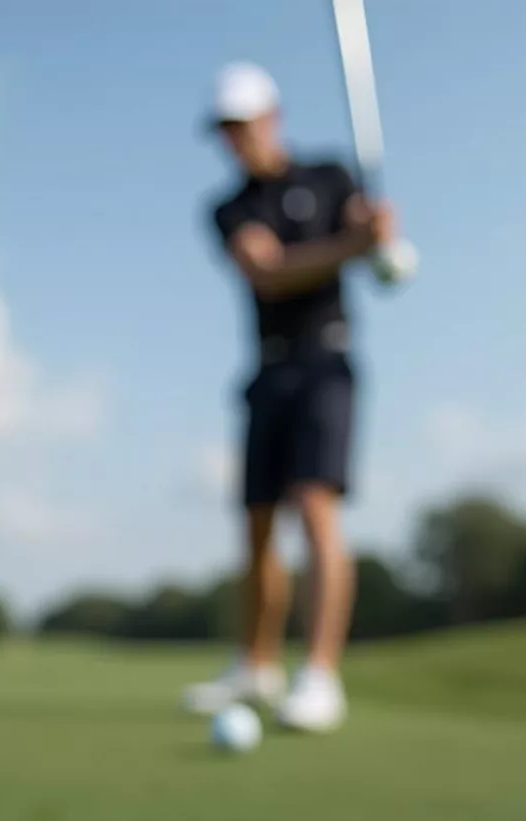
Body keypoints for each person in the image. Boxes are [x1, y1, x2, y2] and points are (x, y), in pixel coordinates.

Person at [183, 62, 399, 731]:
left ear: (271, 117)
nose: (233, 140)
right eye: (224, 130)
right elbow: (269, 274)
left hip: (326, 361)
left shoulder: (333, 178)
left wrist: (381, 245)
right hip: (268, 370)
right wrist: (353, 246)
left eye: (241, 125)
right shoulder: (229, 208)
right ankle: (256, 666)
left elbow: (376, 256)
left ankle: (321, 676)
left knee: (314, 504)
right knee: (255, 527)